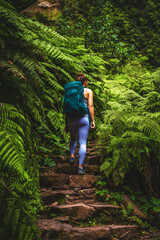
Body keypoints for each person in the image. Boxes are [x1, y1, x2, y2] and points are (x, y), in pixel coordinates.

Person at [65, 73, 95, 175]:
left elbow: (67, 107)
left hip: (71, 118)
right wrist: (93, 120)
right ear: (85, 82)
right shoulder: (88, 91)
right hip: (83, 118)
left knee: (73, 139)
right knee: (82, 143)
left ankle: (72, 156)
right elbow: (90, 106)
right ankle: (80, 167)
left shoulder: (70, 92)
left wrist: (66, 124)